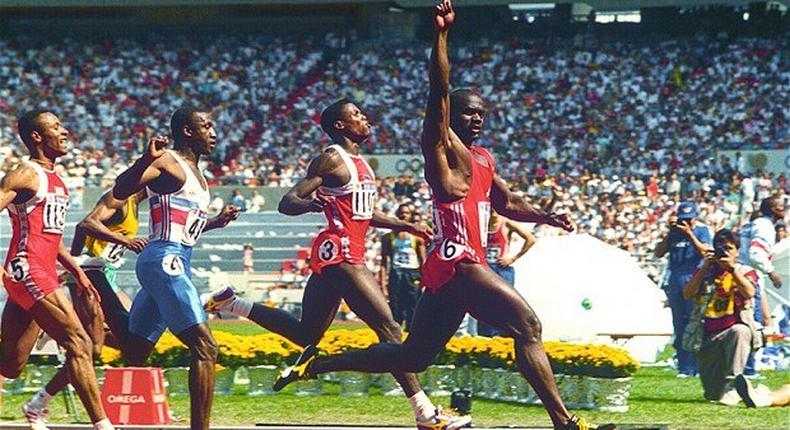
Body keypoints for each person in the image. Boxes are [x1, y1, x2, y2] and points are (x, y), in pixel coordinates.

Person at [272, 3, 613, 430]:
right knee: (528, 325)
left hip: (451, 271)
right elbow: (439, 86)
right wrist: (441, 36)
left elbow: (508, 204)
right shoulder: (440, 148)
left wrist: (548, 216)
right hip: (458, 260)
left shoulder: (484, 159)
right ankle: (564, 422)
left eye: (482, 115)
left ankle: (317, 365)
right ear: (451, 115)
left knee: (413, 355)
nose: (477, 119)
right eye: (468, 112)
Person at [203, 99, 470, 430]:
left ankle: (232, 303)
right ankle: (426, 414)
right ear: (341, 126)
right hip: (341, 251)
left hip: (343, 252)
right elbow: (288, 202)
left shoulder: (361, 164)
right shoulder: (332, 159)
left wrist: (405, 225)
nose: (365, 117)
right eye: (356, 115)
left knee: (306, 333)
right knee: (389, 329)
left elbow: (363, 212)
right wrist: (309, 204)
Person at [112, 107, 241, 430]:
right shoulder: (168, 161)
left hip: (176, 257)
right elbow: (120, 190)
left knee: (135, 351)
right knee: (206, 346)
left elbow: (185, 229)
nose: (213, 132)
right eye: (206, 126)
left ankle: (85, 331)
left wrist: (215, 223)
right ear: (187, 131)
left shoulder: (198, 174)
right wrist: (144, 160)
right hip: (162, 260)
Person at [0, 110, 113, 430]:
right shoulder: (25, 174)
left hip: (45, 270)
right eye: (56, 128)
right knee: (78, 342)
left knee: (11, 364)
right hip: (28, 269)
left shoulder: (57, 181)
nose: (65, 132)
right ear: (37, 137)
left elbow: (51, 237)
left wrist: (75, 270)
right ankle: (103, 426)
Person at [23, 189, 148, 425]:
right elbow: (83, 226)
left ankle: (59, 330)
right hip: (91, 271)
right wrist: (76, 266)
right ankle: (37, 404)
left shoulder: (136, 205)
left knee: (131, 340)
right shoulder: (120, 198)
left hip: (107, 273)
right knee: (93, 349)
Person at [683, 229, 760, 405]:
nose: (724, 252)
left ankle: (734, 384)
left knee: (740, 331)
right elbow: (687, 294)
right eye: (720, 248)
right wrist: (704, 267)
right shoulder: (706, 271)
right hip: (706, 335)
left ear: (737, 251)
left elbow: (749, 292)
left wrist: (732, 270)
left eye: (729, 248)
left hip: (732, 330)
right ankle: (738, 390)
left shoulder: (745, 271)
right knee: (713, 395)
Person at [654, 201, 712, 377]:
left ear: (695, 218)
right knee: (679, 323)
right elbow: (658, 253)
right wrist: (670, 233)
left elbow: (706, 252)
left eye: (689, 219)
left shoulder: (702, 231)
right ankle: (684, 366)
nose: (686, 223)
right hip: (676, 278)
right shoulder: (674, 234)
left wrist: (689, 235)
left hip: (694, 277)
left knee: (694, 322)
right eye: (683, 219)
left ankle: (696, 365)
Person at [475, 211, 537, 337]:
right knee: (483, 303)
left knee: (505, 304)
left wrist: (513, 258)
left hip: (501, 269)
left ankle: (507, 334)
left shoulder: (506, 223)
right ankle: (485, 336)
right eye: (490, 210)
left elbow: (530, 239)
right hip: (485, 269)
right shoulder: (479, 224)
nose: (493, 213)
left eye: (496, 210)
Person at [380, 203, 426, 331]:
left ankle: (412, 334)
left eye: (406, 213)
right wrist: (383, 283)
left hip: (412, 273)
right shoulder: (388, 238)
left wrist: (425, 280)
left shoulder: (417, 238)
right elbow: (384, 261)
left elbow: (423, 260)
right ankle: (395, 335)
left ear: (410, 216)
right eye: (401, 213)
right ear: (397, 215)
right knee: (395, 306)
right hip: (396, 272)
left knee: (413, 305)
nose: (403, 215)